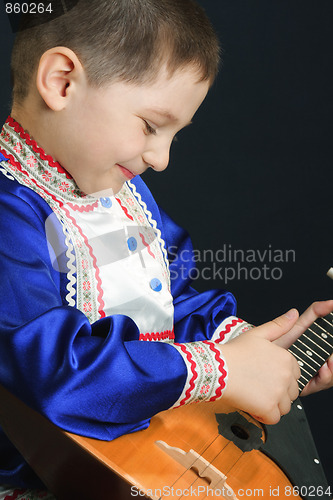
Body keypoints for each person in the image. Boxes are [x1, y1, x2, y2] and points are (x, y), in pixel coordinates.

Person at [0, 0, 332, 497]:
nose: (161, 158)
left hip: (140, 457)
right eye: (152, 126)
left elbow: (173, 301)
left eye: (176, 134)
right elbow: (54, 373)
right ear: (62, 81)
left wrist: (255, 355)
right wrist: (220, 370)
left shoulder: (125, 193)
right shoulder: (10, 214)